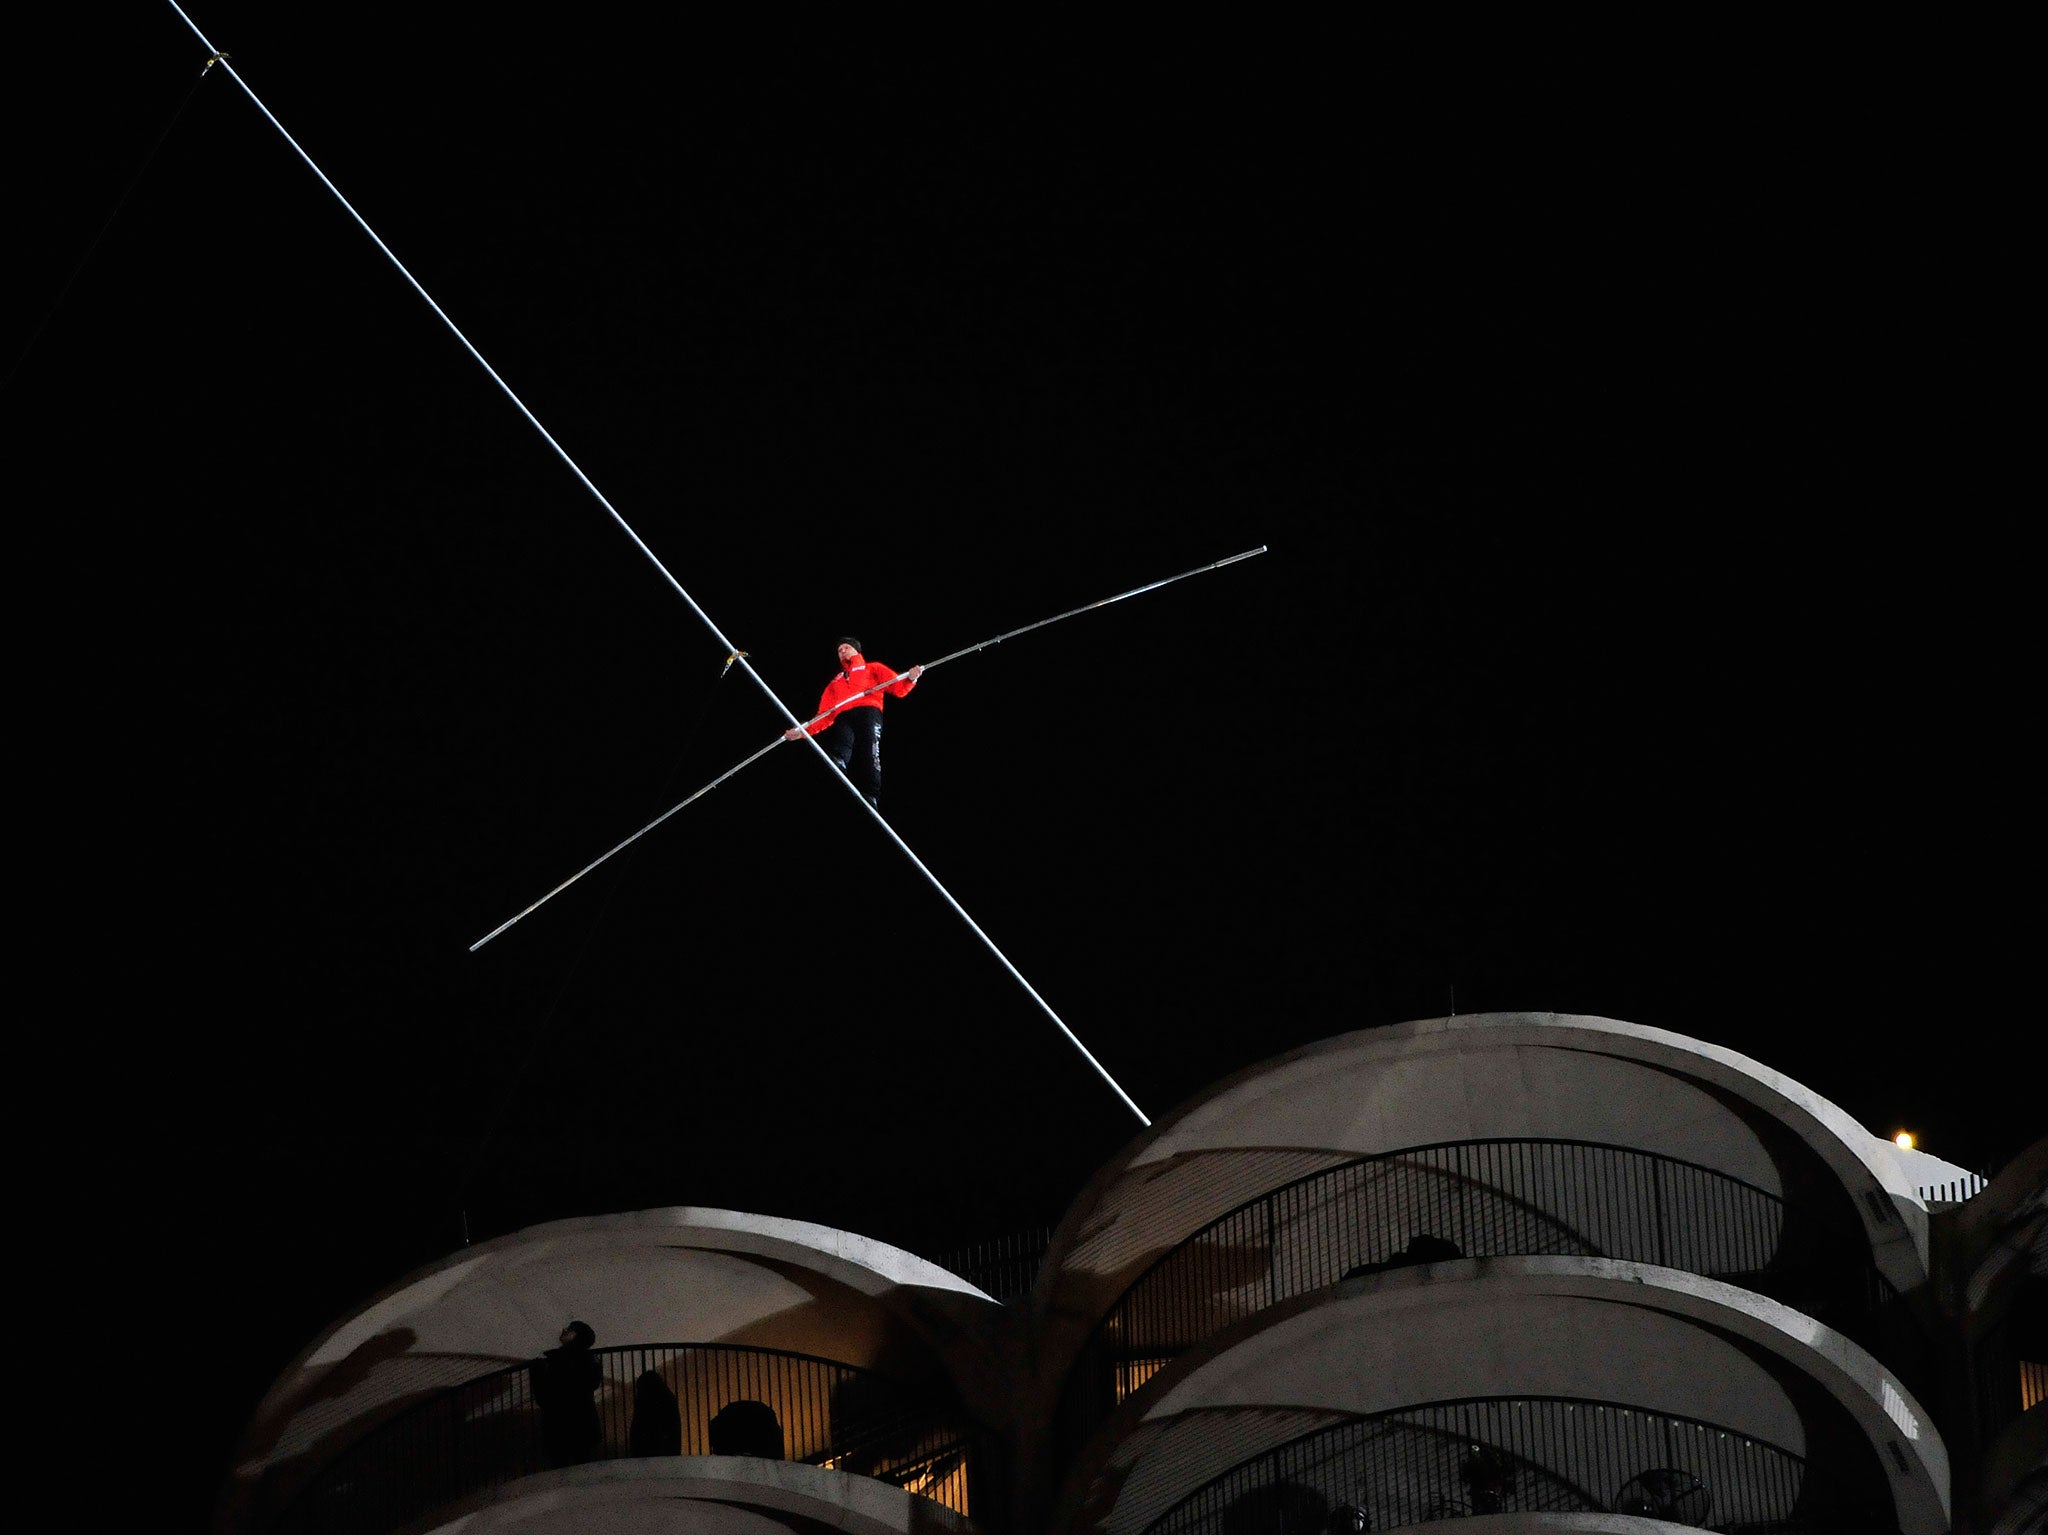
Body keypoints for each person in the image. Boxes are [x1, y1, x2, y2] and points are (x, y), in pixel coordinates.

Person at [783, 637, 923, 809]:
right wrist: (802, 733)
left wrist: (911, 678)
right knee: (842, 733)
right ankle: (839, 759)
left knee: (869, 749)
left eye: (846, 648)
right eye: (839, 650)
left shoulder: (873, 668)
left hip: (868, 711)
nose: (842, 652)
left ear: (856, 651)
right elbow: (823, 716)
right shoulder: (835, 682)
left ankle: (872, 794)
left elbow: (898, 688)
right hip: (844, 714)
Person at [530, 1320, 603, 1467]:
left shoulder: (555, 1362)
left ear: (577, 1336)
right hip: (583, 1425)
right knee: (583, 1465)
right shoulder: (590, 1360)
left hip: (558, 1426)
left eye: (570, 1329)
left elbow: (545, 1396)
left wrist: (537, 1373)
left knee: (561, 1469)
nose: (564, 1330)